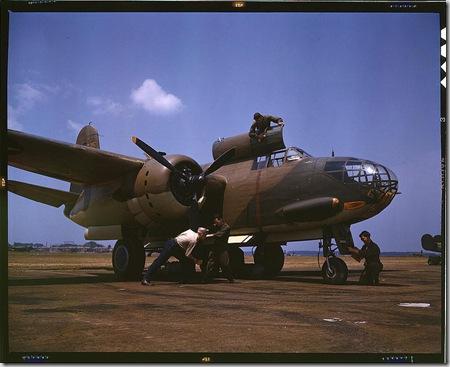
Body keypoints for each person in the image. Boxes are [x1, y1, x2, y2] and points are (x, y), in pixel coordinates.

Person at [141, 227, 207, 286]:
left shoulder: (191, 232)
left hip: (174, 243)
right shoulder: (194, 241)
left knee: (186, 261)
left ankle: (186, 279)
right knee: (160, 261)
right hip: (173, 246)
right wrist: (196, 260)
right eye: (204, 234)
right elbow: (187, 254)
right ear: (200, 234)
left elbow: (181, 235)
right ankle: (146, 279)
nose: (205, 236)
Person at [203, 214, 234, 283]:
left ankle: (230, 278)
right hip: (215, 248)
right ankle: (206, 278)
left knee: (224, 264)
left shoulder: (226, 227)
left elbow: (218, 235)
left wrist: (207, 235)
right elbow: (210, 228)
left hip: (222, 249)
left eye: (216, 222)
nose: (215, 224)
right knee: (210, 263)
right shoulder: (217, 226)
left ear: (220, 220)